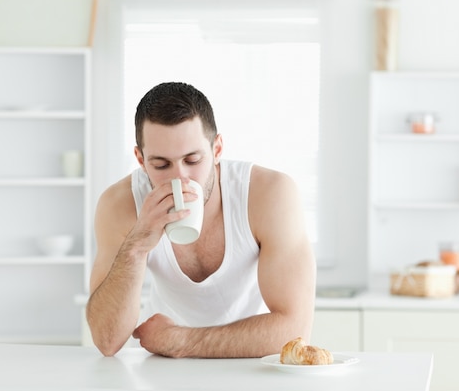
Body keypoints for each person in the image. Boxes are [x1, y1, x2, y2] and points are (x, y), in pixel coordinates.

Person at [86, 82, 316, 358]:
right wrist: (136, 245)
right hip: (162, 365)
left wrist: (180, 341)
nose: (179, 178)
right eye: (160, 165)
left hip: (251, 361)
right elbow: (106, 340)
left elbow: (295, 329)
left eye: (193, 160)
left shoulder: (269, 194)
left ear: (217, 149)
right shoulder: (118, 205)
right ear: (140, 158)